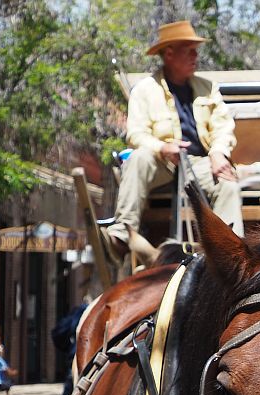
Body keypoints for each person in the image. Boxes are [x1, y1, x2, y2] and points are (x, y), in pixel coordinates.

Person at [102, 20, 244, 267]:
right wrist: (162, 148)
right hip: (162, 163)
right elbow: (136, 135)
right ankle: (122, 234)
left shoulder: (208, 88)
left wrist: (218, 153)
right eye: (189, 50)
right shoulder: (145, 90)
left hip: (200, 163)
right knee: (137, 158)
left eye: (196, 50)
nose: (195, 56)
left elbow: (223, 127)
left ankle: (230, 253)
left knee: (228, 184)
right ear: (169, 54)